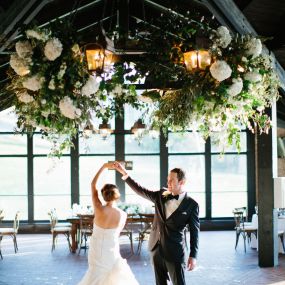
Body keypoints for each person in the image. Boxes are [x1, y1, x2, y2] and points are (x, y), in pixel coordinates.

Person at [113, 161, 199, 285]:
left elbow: (195, 232)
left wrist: (193, 255)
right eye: (167, 179)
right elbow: (140, 190)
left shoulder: (192, 204)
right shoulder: (161, 195)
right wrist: (125, 174)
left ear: (182, 182)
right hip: (156, 250)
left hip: (174, 251)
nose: (168, 183)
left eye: (171, 180)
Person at [77, 162, 139, 285]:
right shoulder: (123, 215)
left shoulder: (98, 208)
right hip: (111, 250)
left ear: (103, 195)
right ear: (117, 196)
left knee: (95, 274)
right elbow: (117, 234)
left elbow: (92, 184)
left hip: (96, 250)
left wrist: (104, 167)